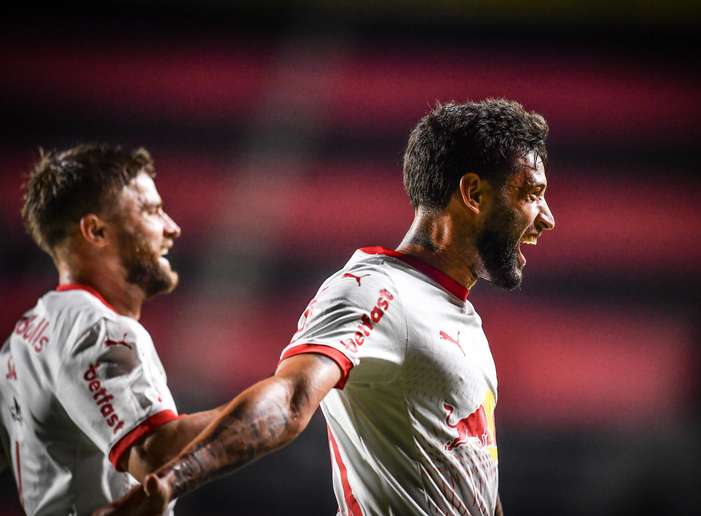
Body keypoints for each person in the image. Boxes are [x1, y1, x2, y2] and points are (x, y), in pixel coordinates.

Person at [97, 98, 556, 516]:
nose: (547, 218)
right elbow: (292, 397)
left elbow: (475, 478)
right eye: (531, 194)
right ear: (473, 194)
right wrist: (169, 483)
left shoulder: (461, 317)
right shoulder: (373, 289)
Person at [0, 144, 221, 515]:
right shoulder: (98, 329)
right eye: (151, 211)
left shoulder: (27, 332)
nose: (173, 228)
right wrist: (283, 398)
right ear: (96, 230)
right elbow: (154, 454)